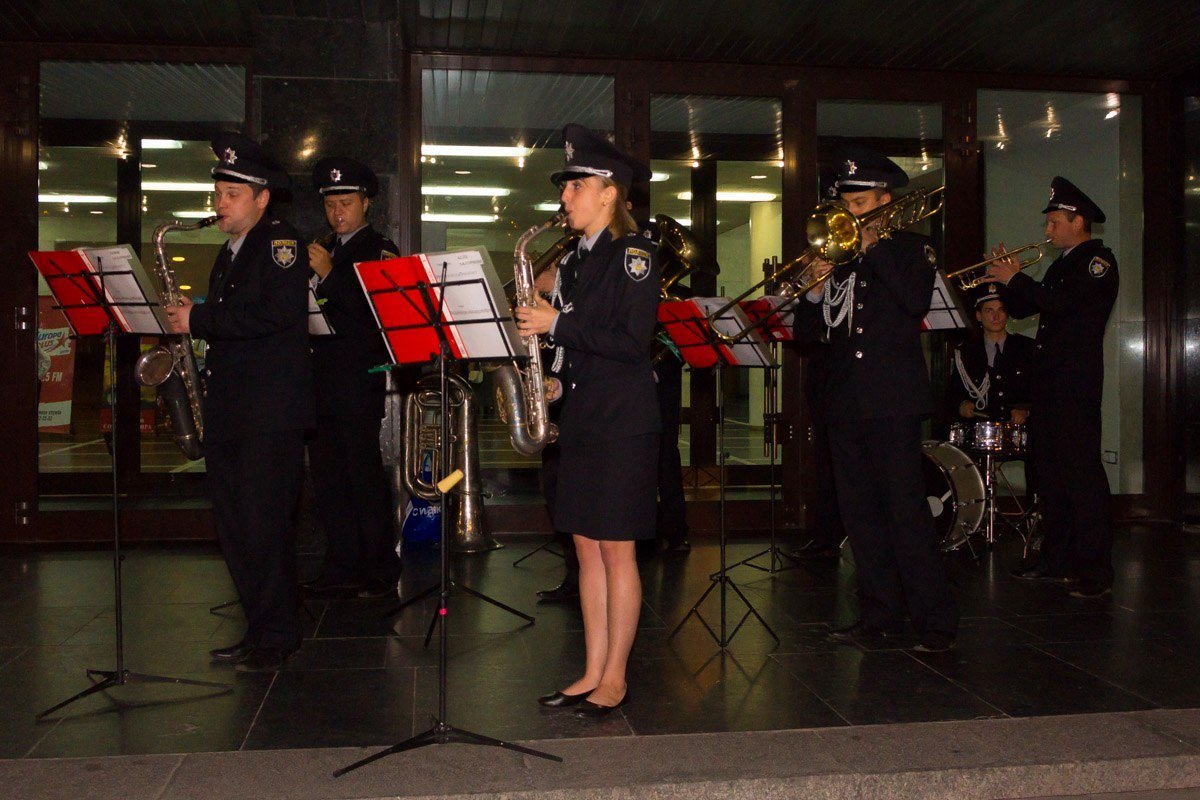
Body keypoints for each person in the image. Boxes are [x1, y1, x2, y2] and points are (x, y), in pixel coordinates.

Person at [516, 124, 660, 716]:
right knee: (585, 547)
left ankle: (617, 676)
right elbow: (583, 343)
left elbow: (631, 342)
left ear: (608, 192)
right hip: (584, 416)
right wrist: (554, 376)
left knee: (617, 550)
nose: (565, 198)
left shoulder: (636, 257)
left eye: (574, 186)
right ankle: (593, 667)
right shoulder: (576, 260)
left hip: (623, 421)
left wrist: (555, 327)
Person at [796, 146, 959, 652]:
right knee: (860, 514)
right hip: (845, 403)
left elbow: (914, 301)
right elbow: (807, 338)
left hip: (893, 402)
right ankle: (879, 613)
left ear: (886, 201)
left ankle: (934, 621)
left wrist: (872, 246)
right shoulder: (837, 258)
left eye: (861, 202)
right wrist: (813, 292)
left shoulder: (913, 249)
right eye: (847, 203)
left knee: (905, 512)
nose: (852, 212)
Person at [165, 134, 314, 672]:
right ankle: (257, 627)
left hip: (268, 414)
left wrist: (198, 319)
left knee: (264, 524)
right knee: (234, 526)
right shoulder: (231, 251)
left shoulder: (281, 244)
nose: (219, 204)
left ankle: (279, 632)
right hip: (234, 409)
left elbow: (277, 316)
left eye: (231, 194)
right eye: (218, 192)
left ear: (262, 197)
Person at [986, 176, 1118, 599]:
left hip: (1074, 387)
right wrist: (1009, 280)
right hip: (1049, 387)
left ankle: (1095, 571)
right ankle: (1055, 560)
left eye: (1054, 222)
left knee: (1081, 478)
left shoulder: (1098, 262)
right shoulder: (1063, 263)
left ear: (1078, 221)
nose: (1048, 230)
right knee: (1050, 478)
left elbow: (1060, 304)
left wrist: (1019, 281)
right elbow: (1032, 306)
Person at [301, 157, 403, 599]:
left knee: (362, 474)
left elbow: (377, 317)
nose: (337, 213)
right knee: (328, 478)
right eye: (330, 205)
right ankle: (340, 563)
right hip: (318, 379)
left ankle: (380, 568)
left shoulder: (381, 250)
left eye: (345, 203)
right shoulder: (325, 247)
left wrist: (329, 275)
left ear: (365, 203)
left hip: (358, 380)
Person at [949, 285, 1034, 423]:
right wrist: (961, 405)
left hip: (1019, 432)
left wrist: (1026, 411)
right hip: (979, 432)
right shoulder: (965, 352)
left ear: (1007, 314)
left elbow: (1043, 392)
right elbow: (952, 393)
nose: (996, 316)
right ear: (978, 316)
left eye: (1001, 310)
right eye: (989, 311)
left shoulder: (1026, 348)